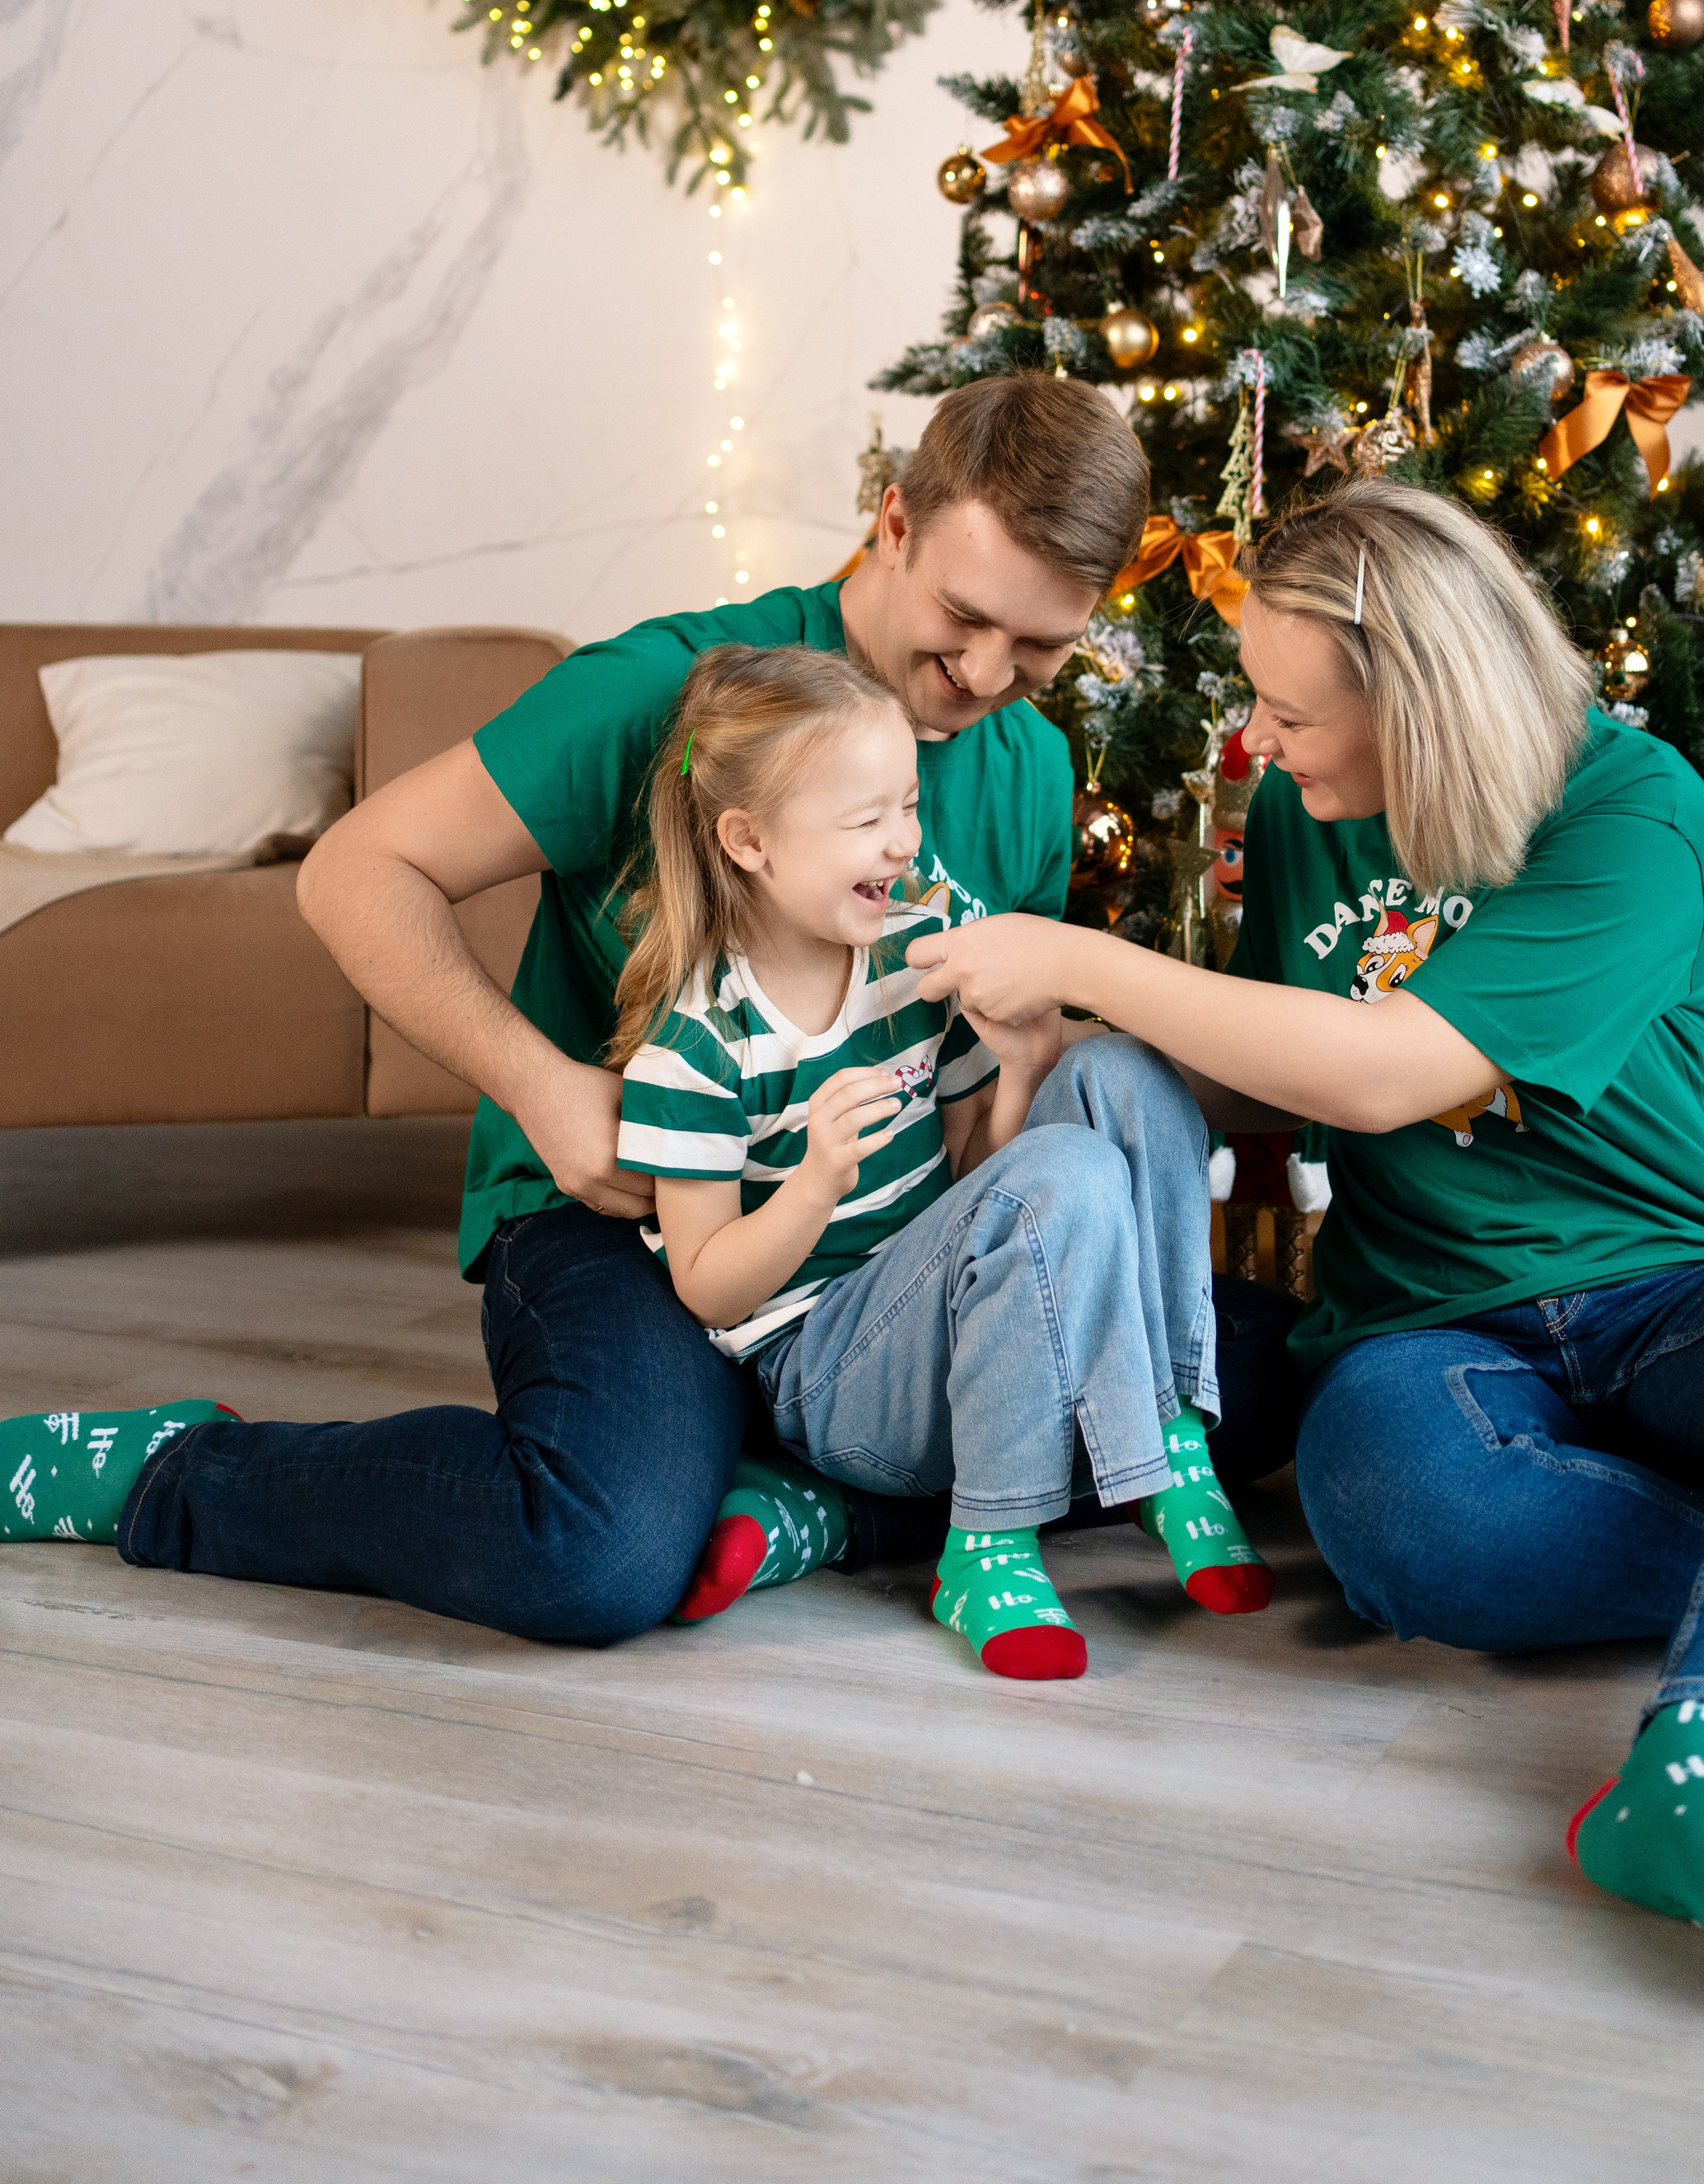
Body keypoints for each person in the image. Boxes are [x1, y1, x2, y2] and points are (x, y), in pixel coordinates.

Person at [910, 481, 1704, 1997]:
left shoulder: (1633, 805)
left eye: (1292, 711)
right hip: (1428, 1343)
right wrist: (1078, 1045)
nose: (1258, 742)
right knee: (1397, 1517)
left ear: (1416, 703)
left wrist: (1082, 953)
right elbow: (1294, 1059)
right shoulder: (1300, 814)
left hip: (1675, 1300)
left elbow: (1391, 1066)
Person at [1, 377, 1296, 1635]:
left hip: (870, 1260)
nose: (985, 674)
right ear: (893, 521)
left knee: (1265, 1379)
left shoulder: (1028, 768)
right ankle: (171, 1471)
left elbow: (983, 1149)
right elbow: (356, 873)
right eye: (964, 616)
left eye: (1042, 647)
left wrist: (1029, 1071)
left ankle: (808, 1504)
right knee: (596, 1557)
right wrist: (542, 1087)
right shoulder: (667, 692)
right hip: (619, 1212)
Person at [605, 640, 1266, 1678]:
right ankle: (986, 1544)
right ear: (749, 840)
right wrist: (815, 1185)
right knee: (1075, 1173)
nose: (905, 843)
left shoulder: (916, 945)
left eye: (908, 808)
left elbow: (978, 1182)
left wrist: (1022, 1069)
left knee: (1130, 1073)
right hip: (830, 1374)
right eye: (867, 821)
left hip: (958, 1322)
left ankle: (1169, 1427)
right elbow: (705, 1287)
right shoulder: (698, 1049)